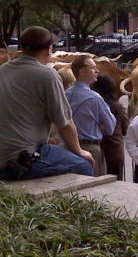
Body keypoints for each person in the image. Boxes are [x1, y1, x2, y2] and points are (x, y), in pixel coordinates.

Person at [0, 26, 94, 180]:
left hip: (3, 156)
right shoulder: (47, 75)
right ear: (49, 49)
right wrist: (79, 150)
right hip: (22, 159)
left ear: (22, 47)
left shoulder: (2, 70)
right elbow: (64, 123)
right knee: (83, 165)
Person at [65, 55, 116, 176]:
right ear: (82, 72)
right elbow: (110, 127)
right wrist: (99, 125)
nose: (97, 71)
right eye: (93, 68)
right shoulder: (95, 97)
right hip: (90, 150)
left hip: (68, 148)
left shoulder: (65, 94)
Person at [92, 75, 130, 181]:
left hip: (96, 150)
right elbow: (126, 129)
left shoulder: (92, 104)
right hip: (114, 152)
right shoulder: (117, 106)